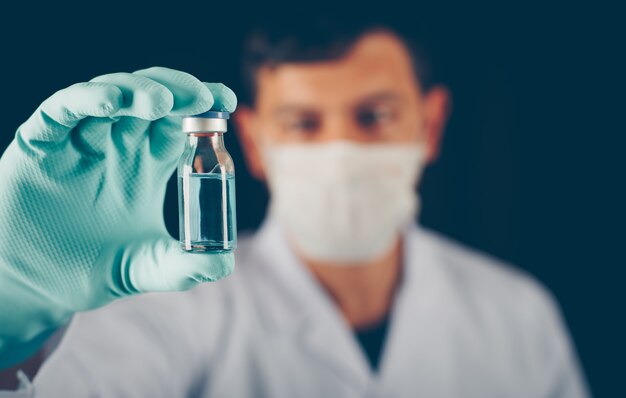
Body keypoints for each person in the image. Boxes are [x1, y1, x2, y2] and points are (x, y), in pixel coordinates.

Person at [0, 18, 589, 397]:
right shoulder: (163, 310)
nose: (341, 151)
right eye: (303, 123)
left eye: (374, 116)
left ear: (430, 124)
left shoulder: (520, 315)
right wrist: (12, 315)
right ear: (252, 143)